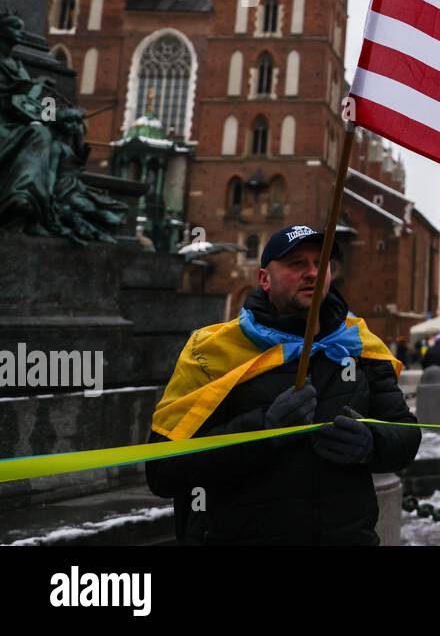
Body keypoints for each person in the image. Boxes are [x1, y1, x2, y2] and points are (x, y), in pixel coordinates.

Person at [145, 224, 420, 545]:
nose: (312, 273)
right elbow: (165, 470)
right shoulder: (211, 352)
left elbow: (406, 436)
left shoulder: (360, 345)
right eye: (296, 264)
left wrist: (371, 443)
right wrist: (263, 429)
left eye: (321, 263)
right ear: (264, 278)